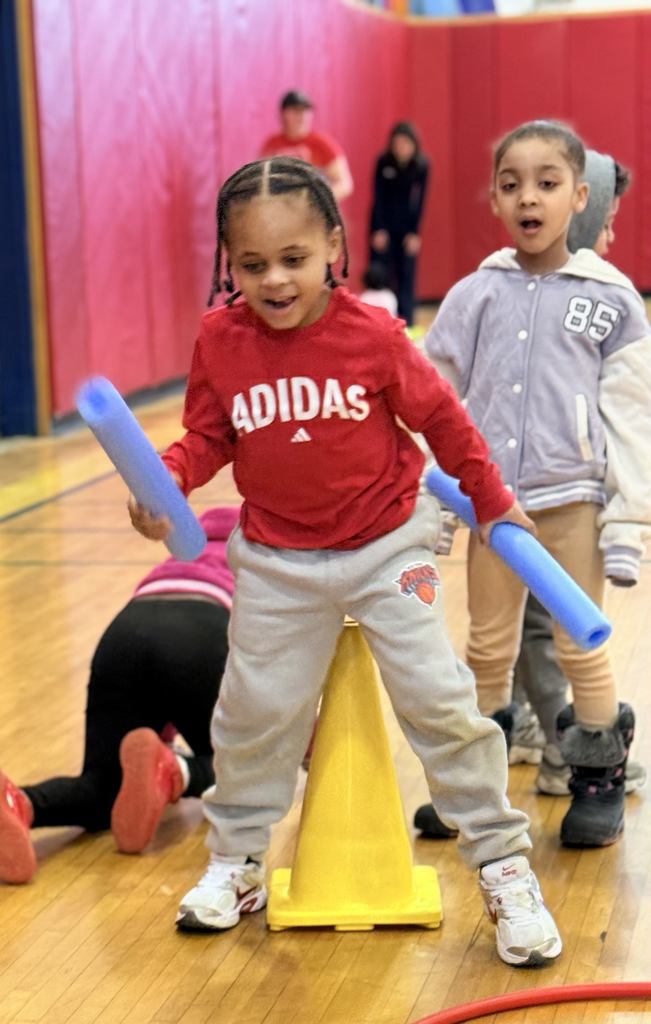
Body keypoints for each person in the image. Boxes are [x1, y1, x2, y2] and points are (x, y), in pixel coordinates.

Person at [129, 155, 562, 968]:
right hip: (276, 558)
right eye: (252, 265)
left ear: (333, 244)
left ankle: (502, 867)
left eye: (293, 259)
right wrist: (166, 484)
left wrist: (493, 500)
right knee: (254, 714)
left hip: (386, 545)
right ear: (230, 264)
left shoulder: (372, 335)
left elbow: (445, 422)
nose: (276, 280)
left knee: (440, 703)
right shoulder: (221, 339)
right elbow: (208, 435)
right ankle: (238, 861)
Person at [424, 121, 651, 849]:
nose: (530, 197)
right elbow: (432, 399)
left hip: (572, 505)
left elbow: (630, 415)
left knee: (579, 646)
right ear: (493, 199)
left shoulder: (612, 300)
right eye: (512, 183)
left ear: (578, 197)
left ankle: (595, 781)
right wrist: (434, 505)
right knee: (487, 648)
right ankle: (480, 790)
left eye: (547, 183)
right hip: (494, 509)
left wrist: (628, 523)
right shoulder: (472, 295)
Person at [0, 506, 238, 884]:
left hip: (126, 631)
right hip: (206, 629)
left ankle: (20, 803)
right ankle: (175, 771)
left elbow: (156, 678)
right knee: (248, 771)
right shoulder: (260, 555)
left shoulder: (177, 560)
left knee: (102, 787)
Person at [369, 121, 430, 326]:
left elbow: (420, 201)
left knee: (407, 276)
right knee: (381, 275)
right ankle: (381, 324)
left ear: (414, 145)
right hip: (384, 226)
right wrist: (378, 229)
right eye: (397, 143)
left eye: (405, 143)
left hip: (406, 229)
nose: (401, 148)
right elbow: (377, 197)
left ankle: (407, 326)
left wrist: (415, 233)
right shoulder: (383, 162)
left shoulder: (421, 165)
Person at [260, 90, 353, 201]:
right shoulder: (272, 144)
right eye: (296, 111)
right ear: (283, 114)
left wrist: (320, 201)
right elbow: (262, 179)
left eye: (306, 111)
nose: (302, 117)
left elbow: (345, 184)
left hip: (312, 210)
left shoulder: (322, 144)